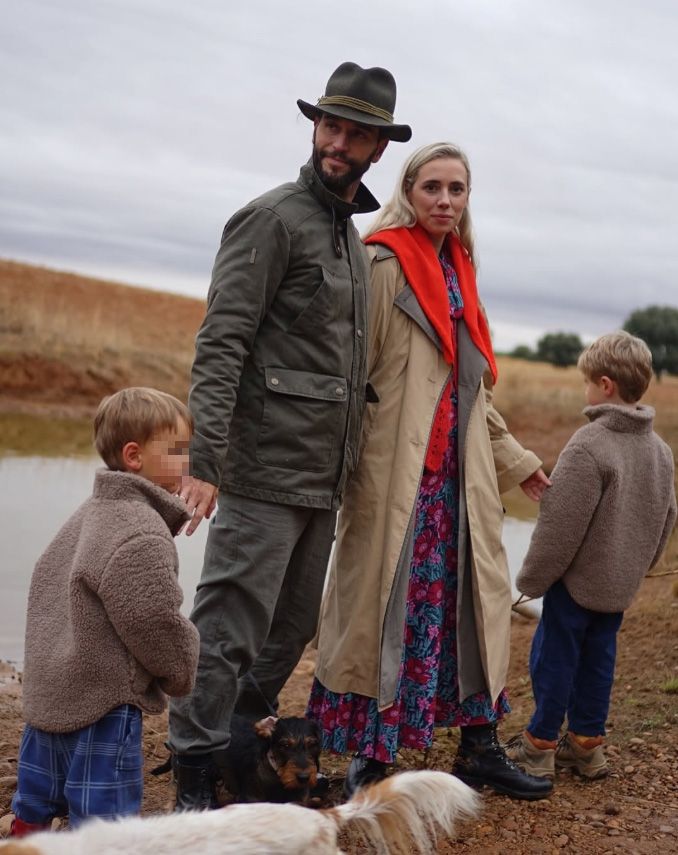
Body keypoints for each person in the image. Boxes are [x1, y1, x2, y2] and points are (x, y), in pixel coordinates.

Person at [168, 62, 412, 810]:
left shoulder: (347, 234)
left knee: (292, 626)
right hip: (262, 467)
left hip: (321, 474)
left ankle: (239, 750)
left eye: (357, 133)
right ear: (315, 128)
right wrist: (206, 458)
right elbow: (222, 343)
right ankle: (191, 772)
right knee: (228, 627)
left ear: (378, 148)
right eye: (330, 126)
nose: (339, 142)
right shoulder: (271, 218)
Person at [307, 142, 554, 801]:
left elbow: (474, 393)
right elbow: (346, 376)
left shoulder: (463, 272)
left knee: (467, 610)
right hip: (394, 477)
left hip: (459, 483)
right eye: (433, 187)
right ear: (410, 191)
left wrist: (520, 464)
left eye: (458, 189)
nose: (445, 200)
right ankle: (371, 755)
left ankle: (479, 745)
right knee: (383, 611)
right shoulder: (381, 260)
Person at [9, 388, 199, 837]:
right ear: (134, 456)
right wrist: (180, 669)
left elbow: (45, 587)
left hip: (52, 697)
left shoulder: (87, 514)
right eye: (179, 452)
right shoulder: (140, 530)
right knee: (104, 825)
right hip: (104, 704)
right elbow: (151, 618)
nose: (188, 463)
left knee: (34, 807)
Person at [506, 331, 676, 780]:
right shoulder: (660, 451)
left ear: (605, 385)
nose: (584, 391)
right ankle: (586, 745)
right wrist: (639, 569)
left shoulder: (588, 445)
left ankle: (539, 745)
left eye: (586, 382)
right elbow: (666, 520)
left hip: (574, 585)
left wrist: (531, 581)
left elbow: (559, 528)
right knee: (600, 659)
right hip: (618, 585)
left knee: (555, 658)